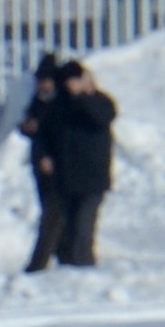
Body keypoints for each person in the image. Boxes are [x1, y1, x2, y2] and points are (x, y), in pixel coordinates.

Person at [36, 61, 117, 270]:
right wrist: (43, 155)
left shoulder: (99, 101)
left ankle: (84, 271)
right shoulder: (58, 107)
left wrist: (84, 96)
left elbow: (101, 118)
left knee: (83, 229)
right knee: (66, 231)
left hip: (92, 179)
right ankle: (67, 270)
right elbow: (43, 134)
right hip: (66, 179)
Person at [19, 54, 67, 276]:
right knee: (50, 212)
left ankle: (39, 264)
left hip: (58, 167)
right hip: (41, 167)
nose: (42, 85)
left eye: (46, 80)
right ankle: (57, 256)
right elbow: (33, 126)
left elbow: (58, 135)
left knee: (53, 215)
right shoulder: (39, 101)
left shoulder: (60, 103)